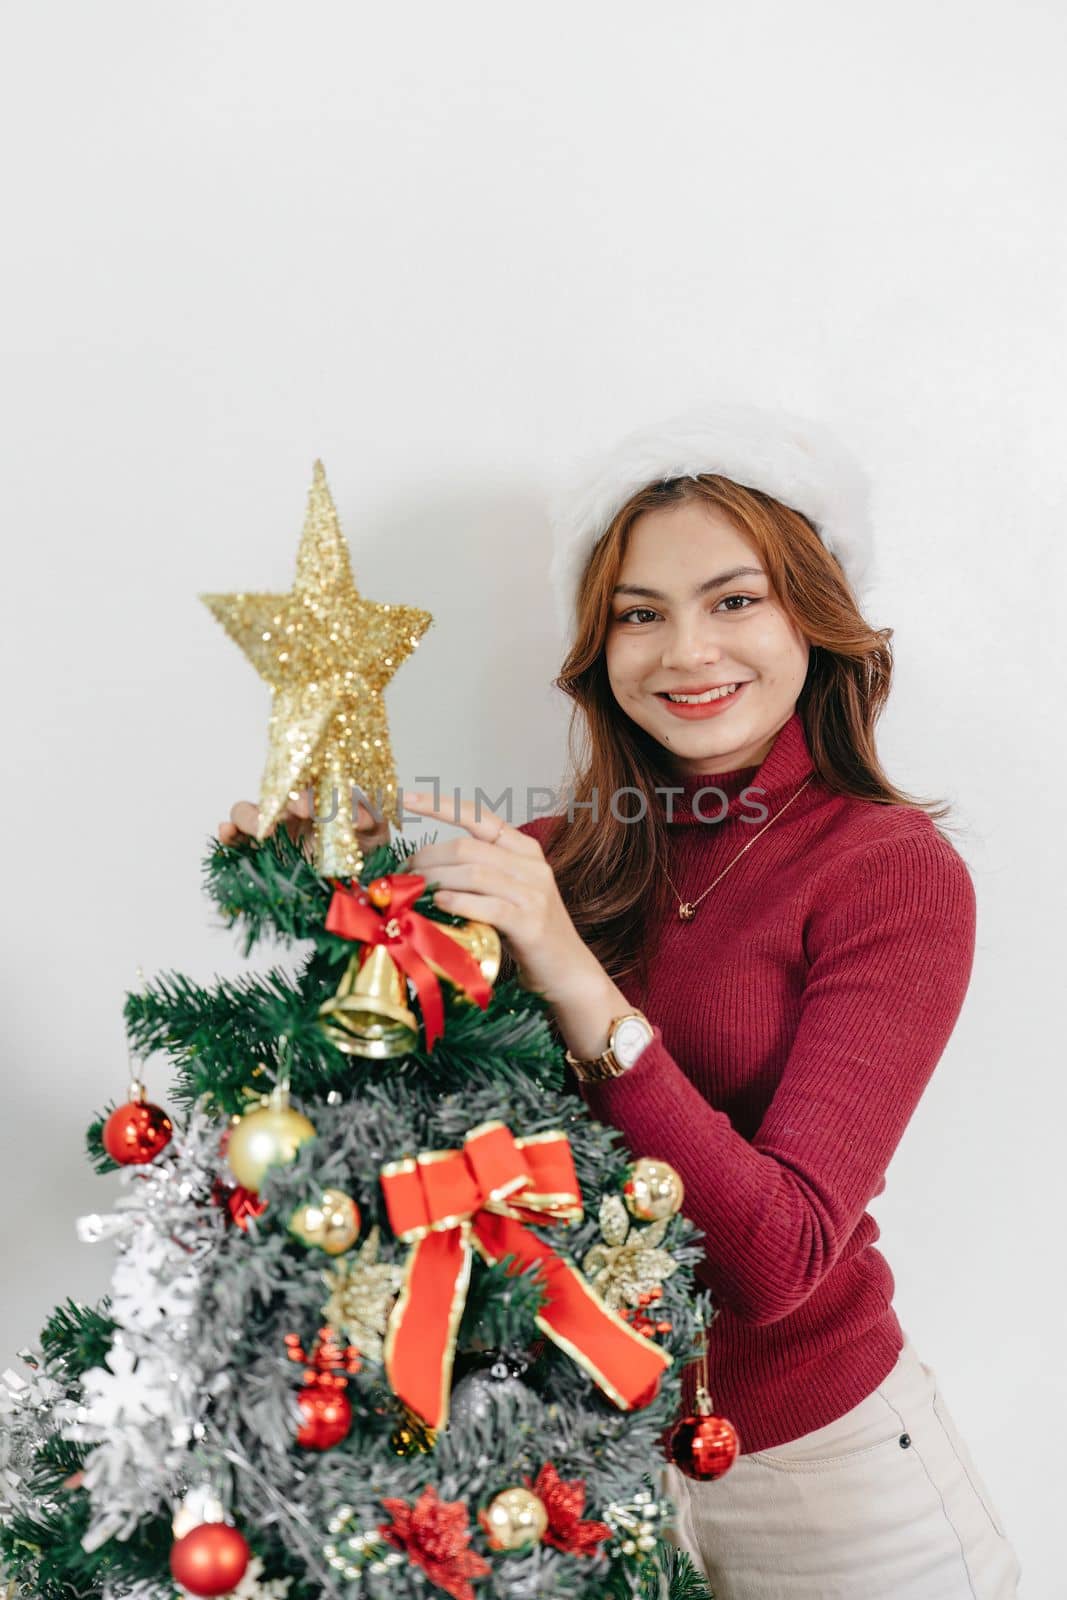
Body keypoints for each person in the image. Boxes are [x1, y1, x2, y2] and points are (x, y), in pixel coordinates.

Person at [219, 403, 1022, 1598]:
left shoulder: (888, 870)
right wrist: (322, 876)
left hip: (830, 1480)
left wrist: (569, 969)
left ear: (815, 612)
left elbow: (778, 1257)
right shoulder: (561, 857)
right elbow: (401, 1075)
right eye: (639, 615)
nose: (685, 651)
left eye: (733, 599)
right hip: (580, 1482)